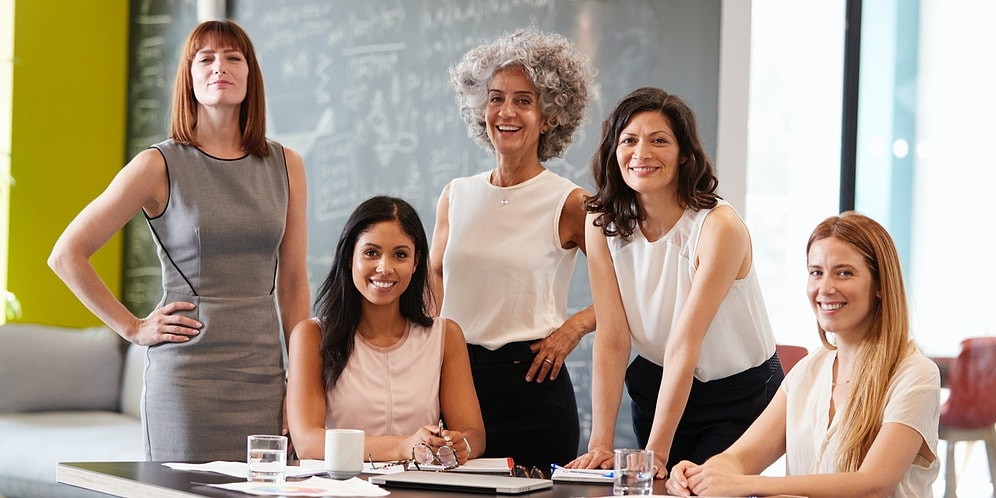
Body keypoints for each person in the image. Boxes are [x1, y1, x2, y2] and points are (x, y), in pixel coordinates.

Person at [48, 20, 310, 461]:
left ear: (251, 74)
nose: (218, 67)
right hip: (186, 381)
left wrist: (300, 381)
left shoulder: (287, 165)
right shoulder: (157, 164)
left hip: (263, 377)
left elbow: (294, 285)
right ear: (188, 78)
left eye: (232, 57)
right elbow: (66, 255)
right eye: (204, 59)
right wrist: (132, 328)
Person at [569, 87, 783, 478]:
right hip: (657, 383)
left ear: (685, 154)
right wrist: (599, 442)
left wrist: (656, 454)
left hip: (739, 394)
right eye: (629, 140)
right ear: (614, 152)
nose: (642, 153)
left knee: (699, 486)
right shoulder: (602, 222)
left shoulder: (719, 227)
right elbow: (614, 336)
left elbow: (686, 343)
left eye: (659, 141)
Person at [665, 212, 941, 498]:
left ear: (881, 285)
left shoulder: (915, 374)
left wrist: (750, 485)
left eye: (844, 272)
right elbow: (739, 459)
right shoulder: (807, 372)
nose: (826, 288)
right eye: (816, 272)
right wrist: (701, 474)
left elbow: (873, 485)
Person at [429, 28, 595, 470]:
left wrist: (572, 329)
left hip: (533, 389)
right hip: (455, 384)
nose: (507, 111)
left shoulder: (571, 202)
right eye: (496, 97)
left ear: (551, 116)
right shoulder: (455, 194)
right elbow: (434, 283)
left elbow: (627, 292)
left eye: (524, 100)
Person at [286, 196, 484, 465]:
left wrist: (458, 445)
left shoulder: (445, 335)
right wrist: (404, 446)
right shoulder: (311, 335)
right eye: (371, 253)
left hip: (420, 489)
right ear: (349, 258)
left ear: (416, 263)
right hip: (342, 489)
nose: (385, 268)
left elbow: (474, 435)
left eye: (400, 255)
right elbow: (308, 442)